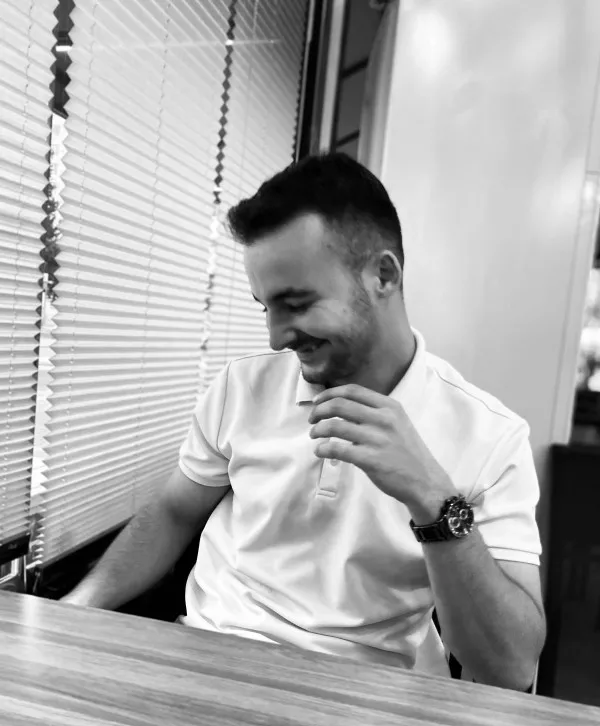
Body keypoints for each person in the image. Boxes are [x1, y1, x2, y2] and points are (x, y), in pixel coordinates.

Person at [63, 153, 546, 690]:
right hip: (207, 662)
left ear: (384, 275)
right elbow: (174, 513)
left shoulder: (491, 437)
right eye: (265, 307)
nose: (276, 337)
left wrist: (432, 498)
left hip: (367, 699)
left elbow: (510, 669)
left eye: (296, 304)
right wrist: (72, 610)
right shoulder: (243, 387)